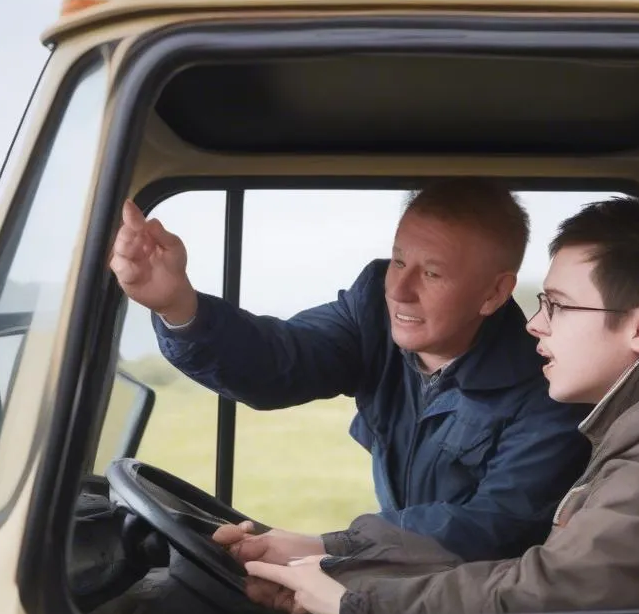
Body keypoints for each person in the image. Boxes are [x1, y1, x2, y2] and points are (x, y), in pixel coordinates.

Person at [224, 197, 639, 614]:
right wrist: (325, 562)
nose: (534, 327)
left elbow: (548, 594)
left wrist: (347, 598)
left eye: (556, 305)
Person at [109, 178, 590, 562]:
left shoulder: (549, 390)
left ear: (493, 294)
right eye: (398, 260)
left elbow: (492, 526)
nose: (399, 290)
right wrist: (177, 306)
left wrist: (328, 548)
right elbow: (279, 360)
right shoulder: (372, 313)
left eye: (432, 273)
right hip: (395, 573)